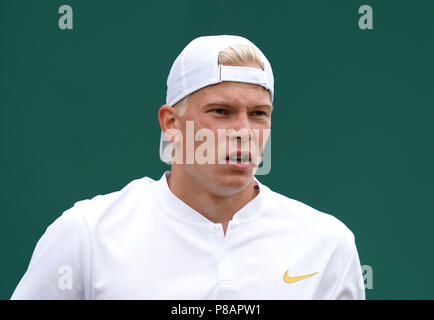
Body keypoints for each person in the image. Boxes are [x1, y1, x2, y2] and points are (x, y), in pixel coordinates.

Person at [11, 35, 365, 299]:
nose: (243, 131)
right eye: (221, 112)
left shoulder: (328, 243)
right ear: (170, 124)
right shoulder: (87, 234)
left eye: (258, 114)